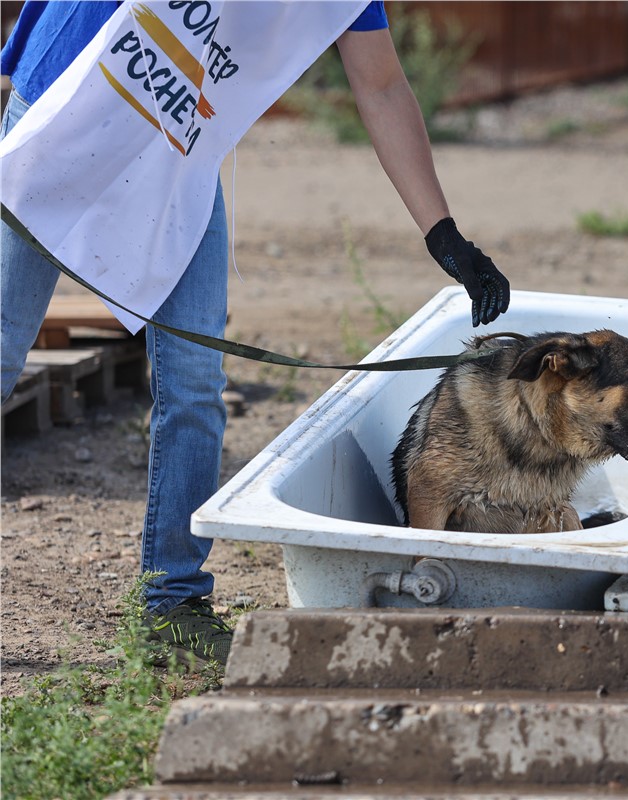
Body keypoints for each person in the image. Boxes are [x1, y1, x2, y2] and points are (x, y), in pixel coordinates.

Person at [0, 1, 510, 668]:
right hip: (70, 101)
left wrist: (442, 232)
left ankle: (171, 604)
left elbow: (381, 82)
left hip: (176, 148)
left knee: (194, 383)